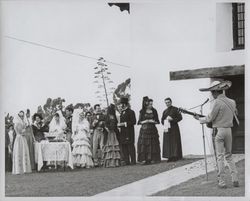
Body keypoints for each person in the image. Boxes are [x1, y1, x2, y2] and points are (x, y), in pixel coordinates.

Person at [194, 80, 239, 188]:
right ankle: (235, 179)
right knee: (229, 156)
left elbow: (210, 118)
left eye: (212, 92)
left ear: (215, 92)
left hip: (219, 131)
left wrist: (199, 119)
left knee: (220, 157)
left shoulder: (217, 102)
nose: (211, 94)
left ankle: (222, 182)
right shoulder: (232, 102)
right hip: (229, 130)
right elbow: (234, 114)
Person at [137, 97, 161, 164]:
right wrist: (146, 121)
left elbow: (158, 121)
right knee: (144, 145)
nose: (151, 106)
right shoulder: (142, 111)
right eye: (149, 104)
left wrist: (152, 121)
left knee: (153, 144)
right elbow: (139, 122)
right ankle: (144, 159)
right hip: (144, 131)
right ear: (146, 104)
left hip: (152, 130)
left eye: (151, 104)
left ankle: (153, 159)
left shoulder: (154, 111)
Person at [161, 98, 183, 162]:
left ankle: (175, 156)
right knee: (167, 143)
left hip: (174, 128)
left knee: (174, 141)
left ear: (171, 102)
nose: (167, 104)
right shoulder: (164, 111)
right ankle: (169, 157)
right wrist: (165, 121)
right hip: (167, 128)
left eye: (168, 102)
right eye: (166, 103)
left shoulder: (175, 109)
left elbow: (180, 118)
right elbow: (162, 120)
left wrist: (172, 119)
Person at [117, 97, 136, 165]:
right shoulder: (122, 112)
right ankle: (127, 161)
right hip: (123, 132)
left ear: (124, 104)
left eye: (121, 104)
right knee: (124, 146)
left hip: (129, 132)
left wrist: (124, 124)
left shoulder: (131, 112)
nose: (120, 105)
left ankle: (133, 161)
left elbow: (134, 122)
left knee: (130, 146)